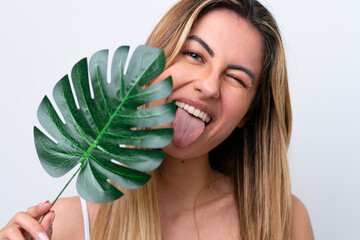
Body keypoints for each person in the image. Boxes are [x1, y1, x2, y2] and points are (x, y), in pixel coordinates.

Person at [0, 0, 315, 239]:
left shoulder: (283, 220)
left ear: (249, 113)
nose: (208, 86)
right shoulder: (66, 226)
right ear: (151, 66)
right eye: (194, 55)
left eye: (236, 78)